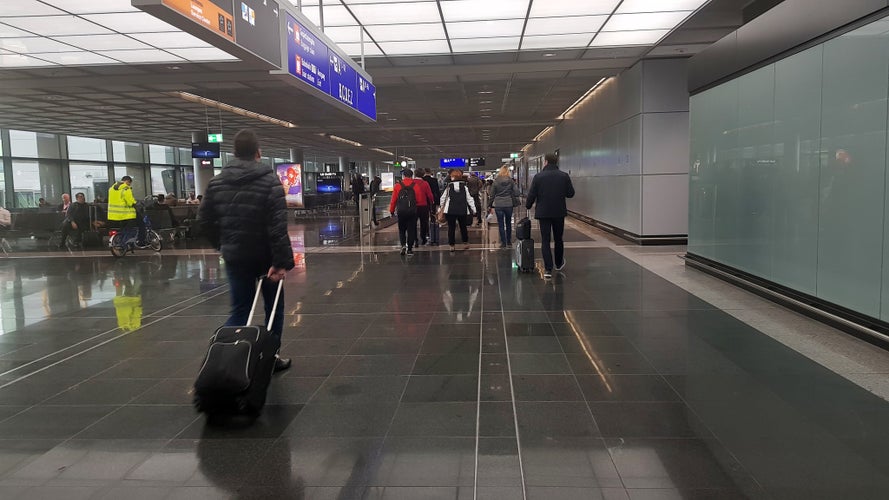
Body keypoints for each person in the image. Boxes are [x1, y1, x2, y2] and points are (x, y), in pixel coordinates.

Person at [199, 129, 295, 372]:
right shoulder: (270, 181)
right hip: (266, 257)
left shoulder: (216, 181)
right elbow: (277, 226)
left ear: (234, 153)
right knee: (274, 308)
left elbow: (203, 220)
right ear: (258, 153)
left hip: (236, 257)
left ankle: (226, 358)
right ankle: (269, 358)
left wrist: (222, 244)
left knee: (240, 308)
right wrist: (281, 261)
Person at [526, 153, 575, 279]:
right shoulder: (564, 176)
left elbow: (532, 194)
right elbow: (570, 194)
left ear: (546, 162)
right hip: (559, 212)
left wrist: (528, 205)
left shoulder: (538, 177)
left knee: (545, 240)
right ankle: (558, 263)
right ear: (556, 162)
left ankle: (548, 269)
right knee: (559, 239)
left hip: (543, 213)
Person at [389, 169, 432, 256]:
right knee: (411, 229)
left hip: (401, 211)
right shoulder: (415, 186)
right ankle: (409, 249)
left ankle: (403, 246)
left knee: (402, 230)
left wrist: (392, 211)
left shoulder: (397, 186)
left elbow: (393, 200)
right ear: (412, 176)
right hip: (412, 211)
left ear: (403, 176)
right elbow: (419, 199)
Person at [440, 168, 476, 251]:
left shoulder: (449, 187)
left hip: (450, 210)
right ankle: (465, 242)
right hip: (462, 209)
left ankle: (452, 245)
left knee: (451, 228)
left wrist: (441, 208)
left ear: (452, 177)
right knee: (463, 227)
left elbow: (443, 199)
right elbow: (469, 199)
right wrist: (474, 209)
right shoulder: (465, 187)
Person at [107, 175, 146, 246]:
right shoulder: (126, 189)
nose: (129, 185)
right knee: (141, 225)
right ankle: (140, 241)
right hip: (126, 214)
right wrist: (137, 203)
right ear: (127, 181)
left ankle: (121, 243)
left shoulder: (111, 189)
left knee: (123, 229)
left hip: (114, 215)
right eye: (129, 183)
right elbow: (130, 201)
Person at [488, 166, 520, 248]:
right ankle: (509, 241)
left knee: (501, 224)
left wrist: (490, 204)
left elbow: (492, 195)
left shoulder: (496, 182)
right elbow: (517, 192)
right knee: (508, 223)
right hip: (509, 204)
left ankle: (503, 242)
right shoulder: (511, 181)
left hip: (498, 204)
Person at [422, 168, 441, 244]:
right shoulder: (434, 180)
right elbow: (437, 191)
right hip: (432, 200)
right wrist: (438, 202)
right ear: (430, 172)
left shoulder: (422, 180)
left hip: (423, 200)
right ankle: (433, 231)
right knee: (433, 216)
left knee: (425, 217)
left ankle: (426, 233)